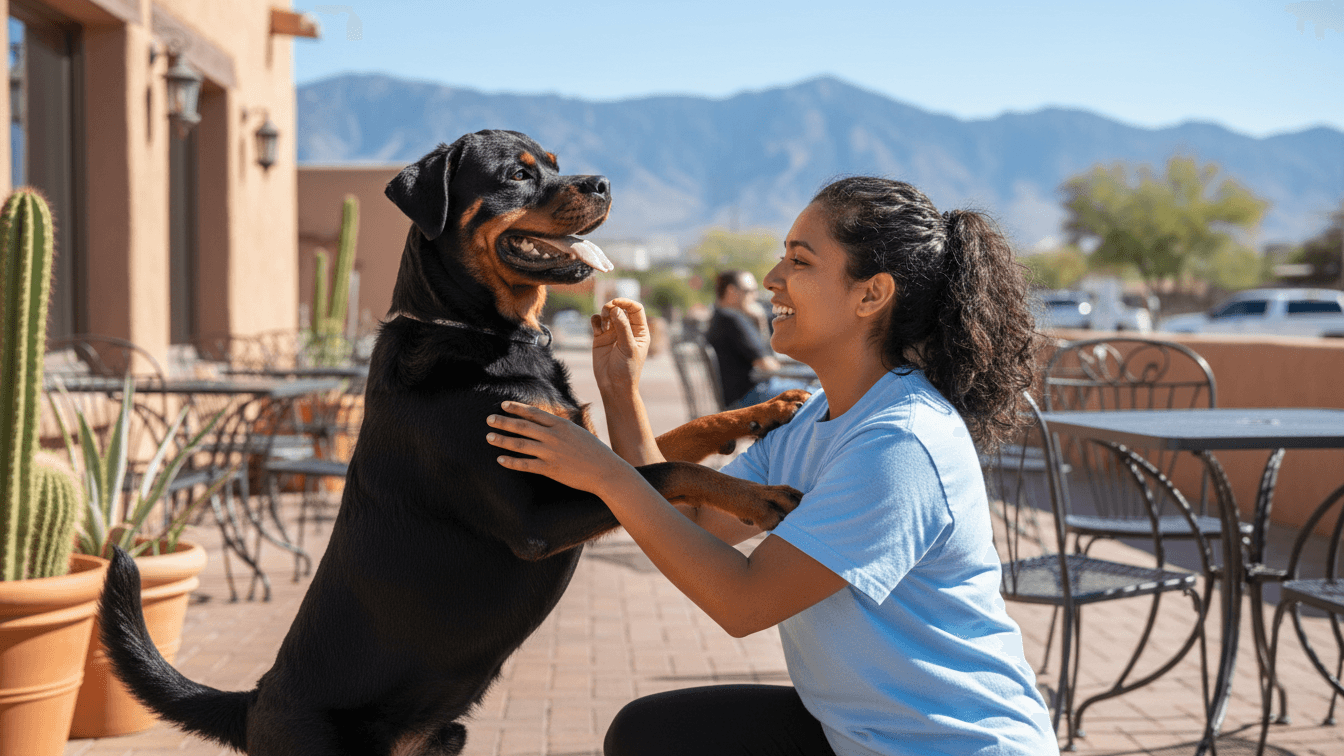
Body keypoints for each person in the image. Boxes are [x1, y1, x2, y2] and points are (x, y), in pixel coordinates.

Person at [485, 176, 1057, 756]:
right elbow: (697, 522)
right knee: (653, 735)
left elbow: (744, 602)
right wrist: (620, 391)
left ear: (870, 295)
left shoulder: (901, 444)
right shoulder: (815, 421)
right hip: (855, 734)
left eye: (800, 261)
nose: (771, 278)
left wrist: (603, 473)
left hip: (951, 746)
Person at [704, 270, 808, 408]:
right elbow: (766, 365)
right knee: (822, 394)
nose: (755, 296)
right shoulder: (732, 319)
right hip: (749, 397)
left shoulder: (718, 318)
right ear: (731, 291)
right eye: (749, 291)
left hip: (742, 395)